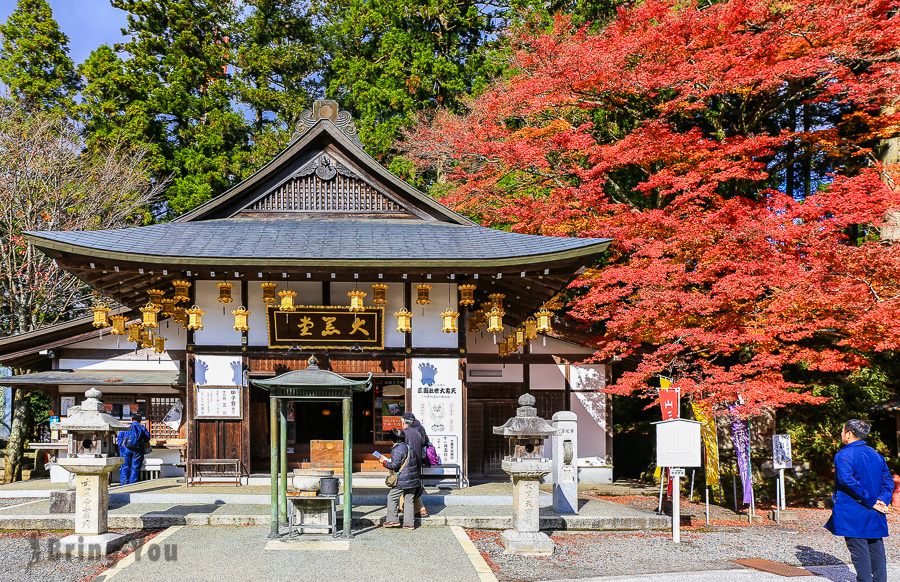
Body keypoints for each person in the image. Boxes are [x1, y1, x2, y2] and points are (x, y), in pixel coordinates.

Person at [825, 419, 893, 582]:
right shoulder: (876, 455)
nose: (841, 434)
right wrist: (882, 500)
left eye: (842, 431)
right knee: (876, 547)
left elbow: (847, 481)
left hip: (853, 510)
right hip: (874, 511)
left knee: (859, 550)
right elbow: (888, 481)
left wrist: (873, 501)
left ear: (849, 434)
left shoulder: (843, 455)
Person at [381, 428, 420, 529]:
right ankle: (409, 523)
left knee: (392, 497)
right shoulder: (409, 447)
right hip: (413, 478)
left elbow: (394, 465)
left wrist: (384, 463)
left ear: (393, 439)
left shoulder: (397, 449)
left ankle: (393, 520)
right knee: (409, 500)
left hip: (403, 480)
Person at [402, 412, 430, 518]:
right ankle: (417, 510)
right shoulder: (418, 430)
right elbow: (424, 442)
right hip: (417, 460)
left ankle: (416, 511)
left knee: (405, 486)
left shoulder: (407, 432)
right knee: (412, 485)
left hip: (408, 463)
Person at [116, 413, 150, 485]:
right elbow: (147, 438)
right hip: (138, 449)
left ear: (131, 419)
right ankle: (132, 483)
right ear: (140, 420)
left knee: (125, 466)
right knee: (135, 467)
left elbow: (119, 438)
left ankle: (123, 484)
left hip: (125, 449)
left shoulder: (126, 427)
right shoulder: (142, 428)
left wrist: (121, 448)